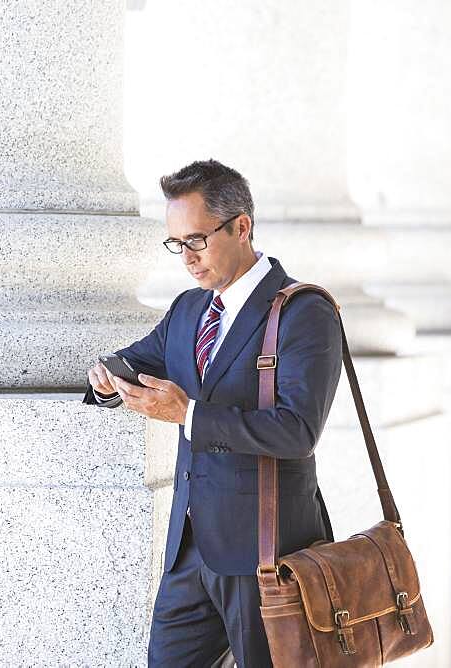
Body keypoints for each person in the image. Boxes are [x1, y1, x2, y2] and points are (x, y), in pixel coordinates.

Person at [84, 160, 343, 667]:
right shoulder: (189, 310)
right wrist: (107, 380)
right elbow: (137, 361)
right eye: (176, 243)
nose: (186, 257)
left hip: (266, 556)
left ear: (241, 226)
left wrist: (190, 416)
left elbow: (298, 431)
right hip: (188, 549)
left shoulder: (303, 312)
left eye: (196, 240)